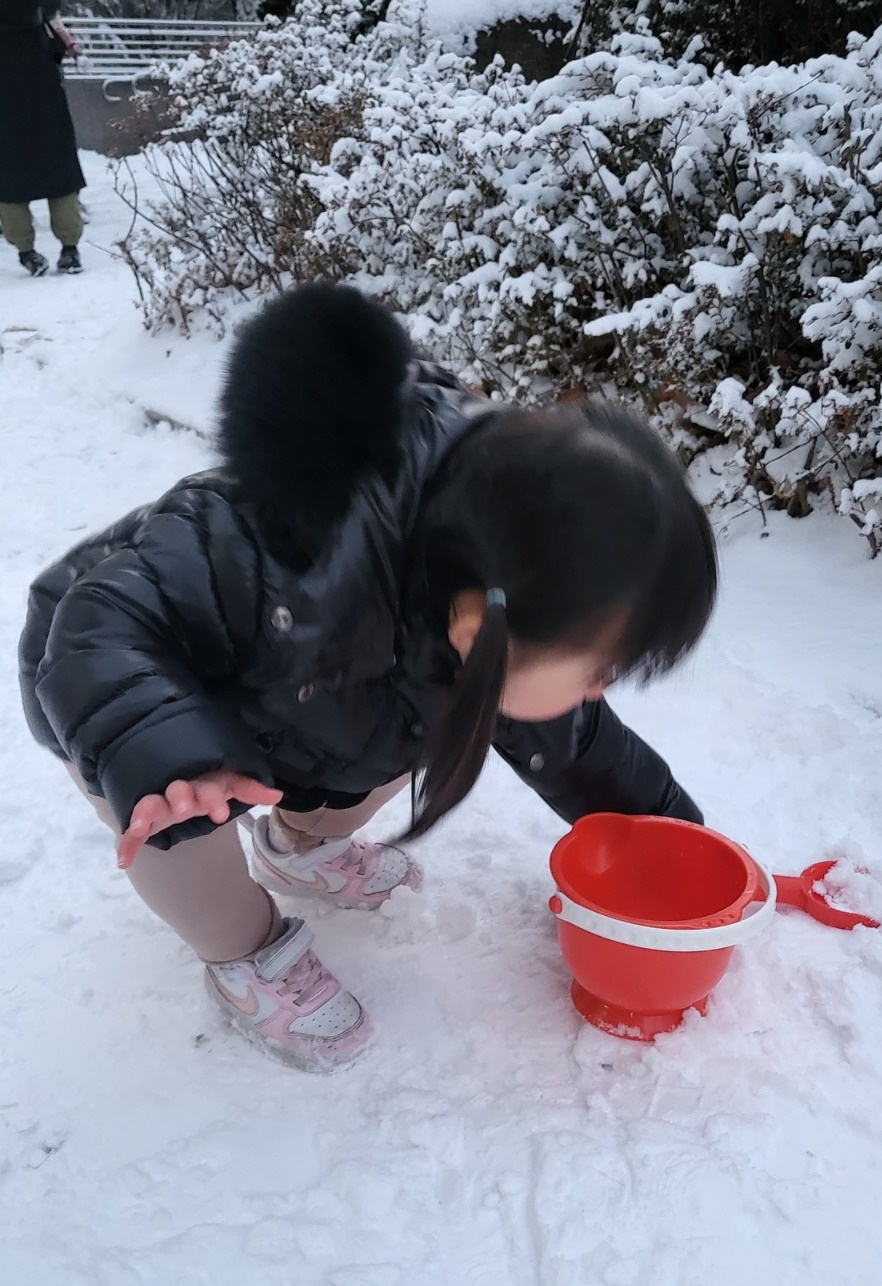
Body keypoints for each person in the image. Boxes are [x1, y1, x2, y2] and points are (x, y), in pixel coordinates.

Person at [20, 282, 717, 1070]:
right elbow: (102, 621)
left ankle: (298, 844)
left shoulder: (495, 586)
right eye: (600, 670)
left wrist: (681, 847)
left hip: (314, 707)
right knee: (179, 833)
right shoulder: (271, 548)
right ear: (480, 631)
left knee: (407, 740)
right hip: (128, 691)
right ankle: (242, 955)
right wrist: (165, 753)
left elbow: (582, 746)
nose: (600, 690)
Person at [0, 2, 85, 276]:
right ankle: (70, 250)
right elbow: (61, 49)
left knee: (10, 184)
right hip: (46, 109)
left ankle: (27, 252)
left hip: (5, 119)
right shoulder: (38, 14)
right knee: (59, 176)